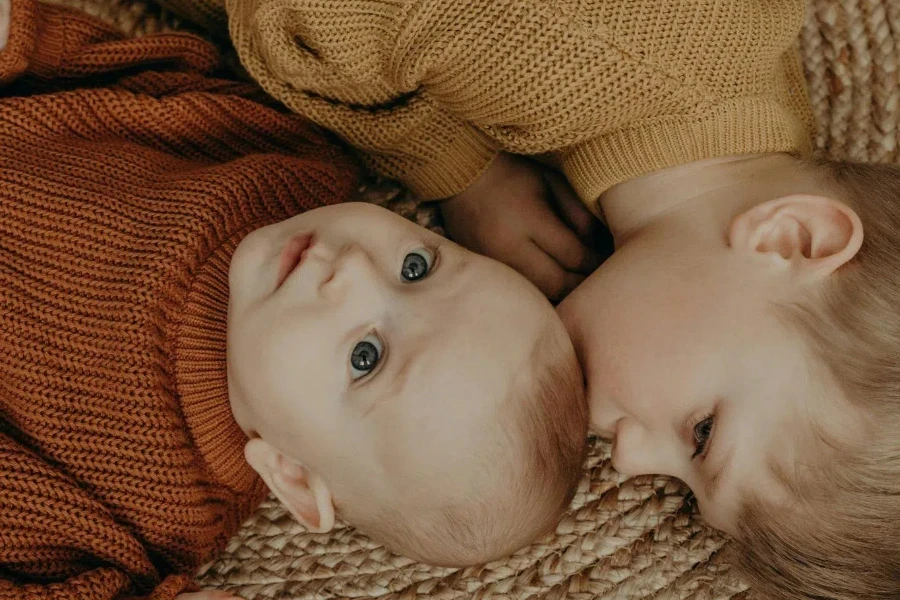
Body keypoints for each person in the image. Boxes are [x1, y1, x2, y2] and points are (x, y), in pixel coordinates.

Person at [212, 0, 900, 598]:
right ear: (794, 238)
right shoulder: (599, 39)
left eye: (679, 484)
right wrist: (453, 166)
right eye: (701, 434)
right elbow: (301, 18)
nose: (628, 460)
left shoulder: (712, 127)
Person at [0, 1, 589, 599]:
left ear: (293, 478)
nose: (355, 269)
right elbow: (130, 81)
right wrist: (22, 37)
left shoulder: (155, 501)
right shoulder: (292, 166)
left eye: (367, 356)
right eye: (416, 266)